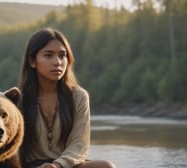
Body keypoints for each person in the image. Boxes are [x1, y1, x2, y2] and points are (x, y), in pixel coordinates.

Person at [18, 27, 116, 168]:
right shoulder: (19, 99)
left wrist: (57, 165)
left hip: (66, 165)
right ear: (32, 61)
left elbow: (79, 144)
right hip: (30, 166)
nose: (57, 62)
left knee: (106, 166)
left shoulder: (78, 96)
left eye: (62, 55)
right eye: (48, 55)